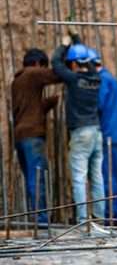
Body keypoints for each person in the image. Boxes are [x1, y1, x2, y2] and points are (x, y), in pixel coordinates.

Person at [51, 32, 108, 234]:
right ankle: (99, 220)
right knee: (97, 177)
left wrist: (63, 44)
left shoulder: (74, 79)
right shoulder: (95, 78)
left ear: (74, 64)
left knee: (78, 178)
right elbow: (87, 60)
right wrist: (76, 40)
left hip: (81, 133)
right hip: (96, 131)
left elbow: (55, 64)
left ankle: (83, 222)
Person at [12, 48, 60, 224]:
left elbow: (29, 109)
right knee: (37, 177)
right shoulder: (32, 74)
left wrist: (48, 103)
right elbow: (57, 75)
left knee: (31, 178)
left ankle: (37, 218)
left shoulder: (17, 80)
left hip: (20, 135)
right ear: (38, 64)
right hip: (32, 136)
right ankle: (41, 220)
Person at [87, 48, 117, 224]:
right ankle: (115, 215)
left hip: (108, 136)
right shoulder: (114, 81)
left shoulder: (102, 80)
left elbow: (99, 104)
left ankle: (115, 217)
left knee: (107, 177)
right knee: (113, 176)